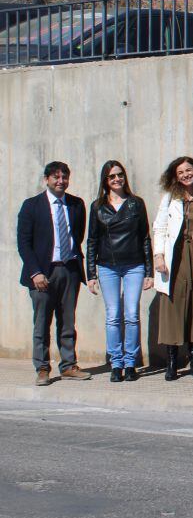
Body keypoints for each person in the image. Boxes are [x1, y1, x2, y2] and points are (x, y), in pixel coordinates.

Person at [17, 161, 91, 386]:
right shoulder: (32, 206)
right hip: (42, 274)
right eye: (56, 177)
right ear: (46, 180)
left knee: (67, 321)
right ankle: (42, 368)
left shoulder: (77, 204)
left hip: (69, 270)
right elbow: (24, 243)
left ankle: (68, 365)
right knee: (42, 323)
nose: (61, 181)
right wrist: (35, 272)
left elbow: (77, 237)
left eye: (64, 177)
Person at [86, 160, 153, 383]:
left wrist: (149, 271)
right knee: (113, 315)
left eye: (120, 175)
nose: (117, 179)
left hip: (134, 265)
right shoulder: (97, 206)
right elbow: (92, 241)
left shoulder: (136, 204)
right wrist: (91, 274)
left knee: (132, 314)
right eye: (112, 176)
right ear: (105, 180)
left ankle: (131, 362)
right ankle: (116, 363)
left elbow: (145, 237)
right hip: (107, 266)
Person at [153, 155, 193, 381]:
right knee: (172, 306)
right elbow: (159, 227)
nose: (185, 175)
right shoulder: (170, 198)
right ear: (174, 177)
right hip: (174, 256)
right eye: (180, 172)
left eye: (188, 170)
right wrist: (159, 256)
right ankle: (172, 361)